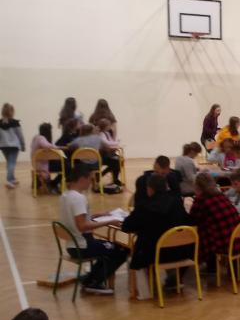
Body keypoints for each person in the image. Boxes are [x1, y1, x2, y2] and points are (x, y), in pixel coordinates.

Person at [58, 165, 129, 294]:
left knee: (109, 248)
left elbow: (77, 219)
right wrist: (109, 221)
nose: (92, 182)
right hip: (83, 245)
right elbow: (82, 226)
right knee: (121, 250)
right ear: (82, 179)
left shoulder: (65, 196)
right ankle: (94, 282)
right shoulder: (78, 198)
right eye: (90, 179)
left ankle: (91, 279)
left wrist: (97, 215)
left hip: (72, 245)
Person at [121, 173, 192, 299]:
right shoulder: (177, 202)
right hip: (181, 252)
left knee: (138, 249)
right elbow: (186, 221)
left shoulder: (144, 206)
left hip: (154, 255)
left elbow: (126, 227)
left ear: (150, 189)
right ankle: (171, 280)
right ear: (166, 187)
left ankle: (144, 290)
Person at [189, 172, 240, 270]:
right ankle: (212, 266)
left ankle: (205, 266)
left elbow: (191, 221)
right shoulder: (222, 196)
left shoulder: (201, 200)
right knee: (208, 229)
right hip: (238, 240)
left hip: (224, 244)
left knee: (197, 234)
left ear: (198, 187)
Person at [68, 123, 121, 187]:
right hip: (95, 165)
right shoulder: (97, 139)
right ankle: (103, 175)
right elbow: (106, 148)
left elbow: (69, 147)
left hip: (82, 164)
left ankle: (96, 177)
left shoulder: (77, 140)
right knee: (116, 161)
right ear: (92, 131)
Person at [31, 123, 64, 193]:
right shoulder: (41, 138)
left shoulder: (36, 137)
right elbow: (47, 145)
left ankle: (50, 183)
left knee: (64, 165)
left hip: (36, 164)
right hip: (42, 166)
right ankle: (53, 183)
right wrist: (58, 147)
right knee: (67, 167)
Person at [0, 103, 26, 189]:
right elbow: (20, 135)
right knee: (11, 163)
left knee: (9, 163)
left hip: (3, 146)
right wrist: (23, 145)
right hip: (14, 146)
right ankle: (9, 181)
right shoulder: (15, 123)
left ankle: (12, 178)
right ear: (12, 112)